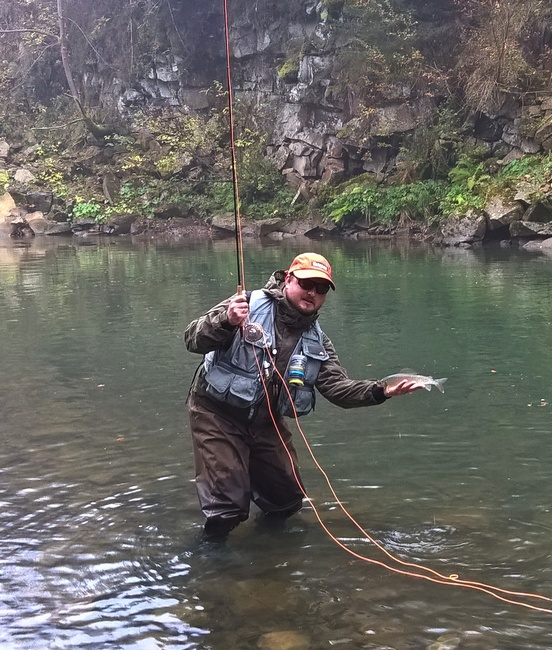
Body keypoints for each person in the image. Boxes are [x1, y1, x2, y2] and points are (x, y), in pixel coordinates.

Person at [184, 252, 419, 540]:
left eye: (321, 288)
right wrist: (227, 321)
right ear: (288, 279)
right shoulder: (245, 304)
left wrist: (381, 390)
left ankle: (270, 547)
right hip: (216, 413)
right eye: (306, 284)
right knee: (227, 507)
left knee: (288, 499)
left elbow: (337, 388)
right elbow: (192, 339)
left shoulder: (318, 341)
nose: (312, 293)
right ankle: (212, 555)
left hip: (265, 421)